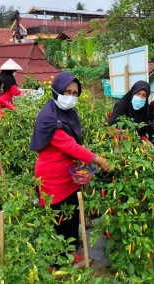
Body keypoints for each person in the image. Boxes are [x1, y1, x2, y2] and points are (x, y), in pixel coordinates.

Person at [29, 72, 109, 264]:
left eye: (75, 93)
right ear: (56, 90)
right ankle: (57, 260)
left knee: (71, 215)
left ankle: (71, 251)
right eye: (67, 92)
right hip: (51, 178)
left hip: (69, 176)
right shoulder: (48, 117)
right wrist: (98, 159)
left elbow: (73, 143)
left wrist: (78, 159)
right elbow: (68, 144)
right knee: (58, 219)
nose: (71, 97)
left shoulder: (66, 113)